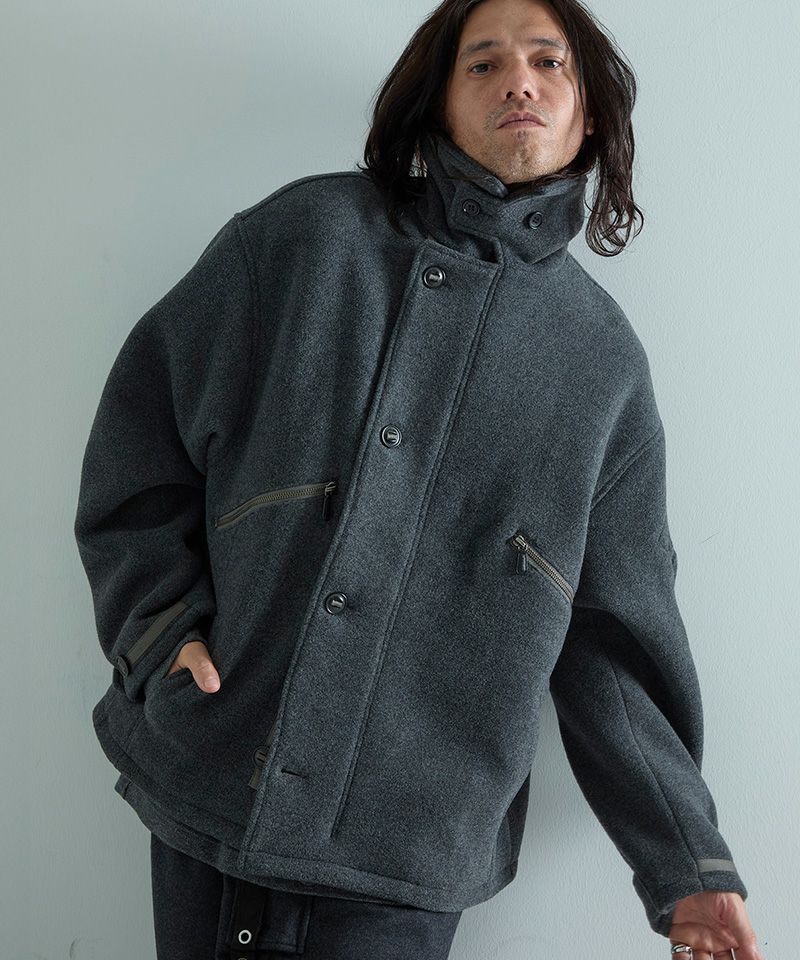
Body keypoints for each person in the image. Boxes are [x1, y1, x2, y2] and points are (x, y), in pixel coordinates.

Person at [74, 0, 766, 958]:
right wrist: (157, 633)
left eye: (549, 62)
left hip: (404, 858)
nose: (518, 81)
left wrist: (688, 867)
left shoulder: (601, 367)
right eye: (482, 64)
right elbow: (139, 445)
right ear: (438, 102)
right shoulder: (303, 240)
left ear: (590, 112)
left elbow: (615, 648)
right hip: (217, 779)